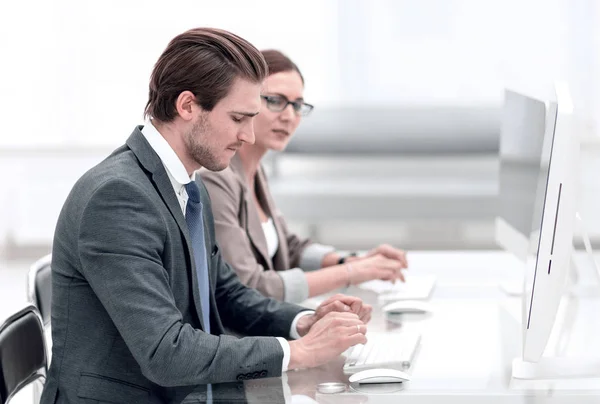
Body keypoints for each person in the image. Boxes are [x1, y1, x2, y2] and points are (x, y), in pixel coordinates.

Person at [40, 28, 372, 404]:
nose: (248, 136)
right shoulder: (119, 197)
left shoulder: (188, 184)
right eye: (238, 118)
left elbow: (224, 292)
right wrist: (300, 352)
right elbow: (166, 353)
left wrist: (302, 322)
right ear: (187, 106)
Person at [200, 50, 409, 303]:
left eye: (297, 105)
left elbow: (287, 247)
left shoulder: (256, 170)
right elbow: (249, 284)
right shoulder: (217, 178)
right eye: (275, 101)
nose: (289, 116)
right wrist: (350, 273)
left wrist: (351, 260)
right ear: (247, 103)